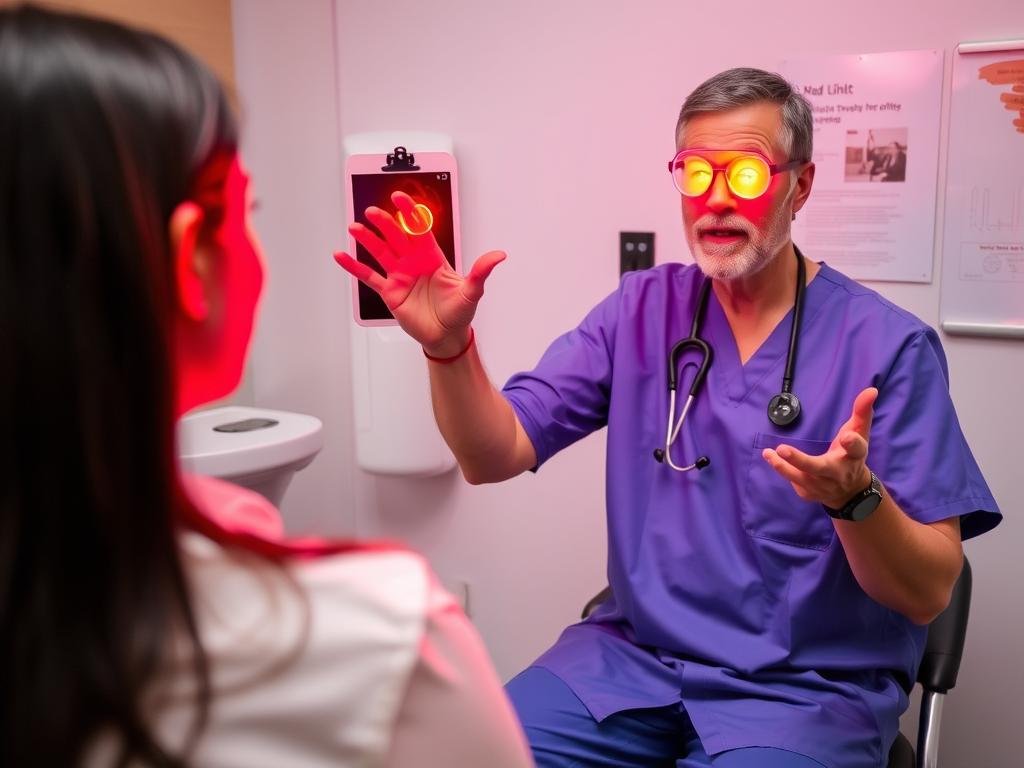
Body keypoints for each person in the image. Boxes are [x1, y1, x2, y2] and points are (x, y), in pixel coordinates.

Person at [336, 66, 1001, 767]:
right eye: (696, 173)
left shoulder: (888, 346)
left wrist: (855, 499)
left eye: (746, 174)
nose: (716, 199)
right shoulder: (641, 311)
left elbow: (928, 592)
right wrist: (449, 349)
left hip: (802, 692)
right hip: (631, 663)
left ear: (800, 186)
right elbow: (492, 453)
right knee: (474, 752)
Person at [0, 6, 533, 767]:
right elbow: (497, 452)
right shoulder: (382, 642)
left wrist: (446, 347)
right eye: (247, 213)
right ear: (192, 260)